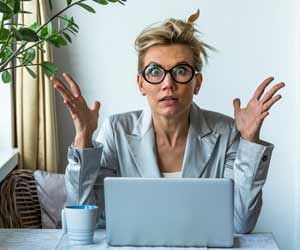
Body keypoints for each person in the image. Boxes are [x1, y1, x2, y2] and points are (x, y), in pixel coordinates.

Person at [52, 10, 285, 234]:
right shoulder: (117, 131)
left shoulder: (226, 132)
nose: (168, 84)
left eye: (181, 70)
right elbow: (85, 217)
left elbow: (241, 223)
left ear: (198, 82)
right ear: (141, 83)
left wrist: (249, 141)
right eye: (155, 71)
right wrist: (83, 138)